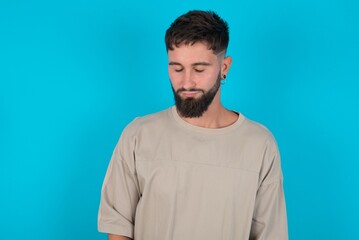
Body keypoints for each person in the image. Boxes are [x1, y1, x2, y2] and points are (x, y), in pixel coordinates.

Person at [98, 10, 288, 240]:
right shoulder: (138, 135)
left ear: (224, 67)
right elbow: (118, 226)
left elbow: (270, 234)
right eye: (177, 68)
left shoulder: (259, 144)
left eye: (199, 69)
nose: (186, 82)